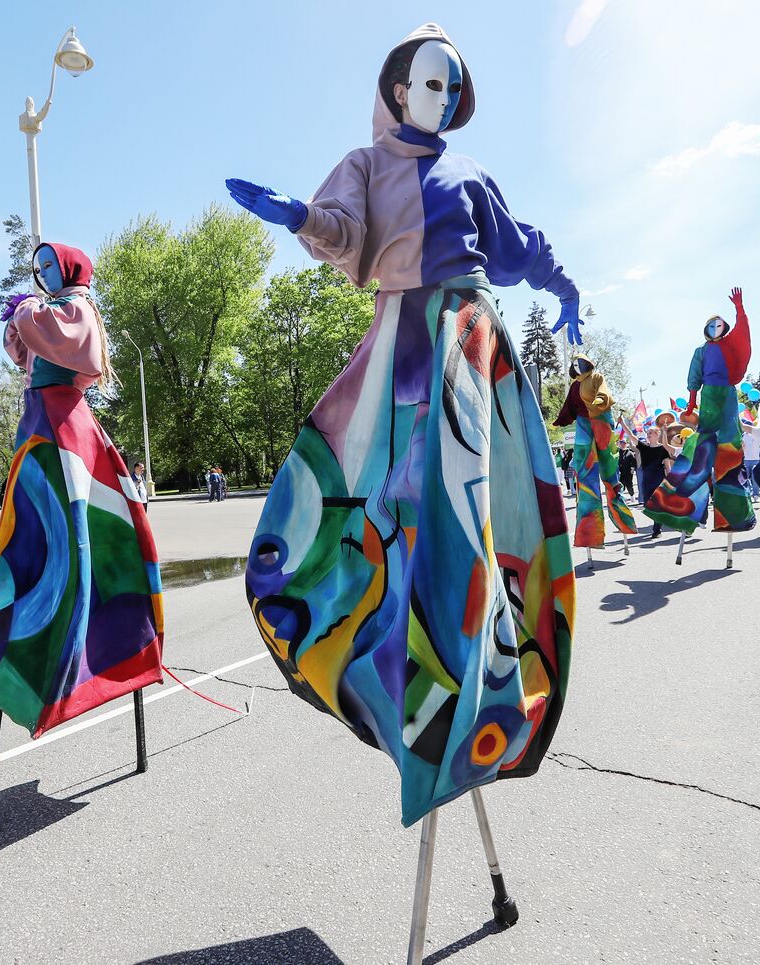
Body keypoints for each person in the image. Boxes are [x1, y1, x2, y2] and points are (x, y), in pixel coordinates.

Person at [229, 24, 577, 825]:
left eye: (454, 88)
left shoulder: (470, 172)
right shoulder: (365, 163)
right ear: (395, 89)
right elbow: (345, 230)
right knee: (397, 518)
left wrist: (565, 290)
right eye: (430, 83)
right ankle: (408, 693)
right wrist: (298, 216)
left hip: (472, 344)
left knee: (475, 523)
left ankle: (481, 687)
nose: (444, 97)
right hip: (406, 349)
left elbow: (516, 247)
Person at [0, 241, 163, 738]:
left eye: (48, 266)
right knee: (37, 538)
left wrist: (27, 312)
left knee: (73, 539)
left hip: (62, 428)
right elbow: (28, 348)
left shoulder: (75, 307)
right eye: (37, 269)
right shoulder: (52, 311)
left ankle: (90, 652)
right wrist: (18, 322)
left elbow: (56, 336)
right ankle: (32, 649)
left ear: (71, 268)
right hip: (39, 425)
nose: (42, 275)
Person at [645, 287, 756, 537]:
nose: (715, 331)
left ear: (724, 328)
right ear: (705, 331)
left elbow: (743, 334)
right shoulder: (701, 351)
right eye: (711, 327)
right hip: (708, 397)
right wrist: (692, 402)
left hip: (727, 394)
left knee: (730, 451)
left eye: (719, 327)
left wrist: (740, 309)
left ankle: (734, 516)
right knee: (701, 449)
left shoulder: (728, 345)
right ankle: (681, 509)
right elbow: (694, 376)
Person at [552, 354, 636, 546]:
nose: (577, 367)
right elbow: (569, 407)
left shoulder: (597, 377)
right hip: (583, 425)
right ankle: (590, 534)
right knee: (585, 477)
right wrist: (560, 420)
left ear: (586, 364)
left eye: (579, 363)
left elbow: (603, 392)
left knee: (610, 475)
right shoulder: (574, 386)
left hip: (601, 422)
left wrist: (599, 401)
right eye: (574, 365)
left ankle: (624, 522)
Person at [637, 427, 673, 539]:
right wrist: (623, 423)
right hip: (647, 481)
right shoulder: (644, 448)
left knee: (656, 505)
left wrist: (672, 481)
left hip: (658, 480)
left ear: (657, 434)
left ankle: (657, 529)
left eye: (651, 433)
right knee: (648, 505)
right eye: (647, 433)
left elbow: (668, 467)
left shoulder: (663, 449)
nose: (648, 435)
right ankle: (659, 522)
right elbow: (632, 437)